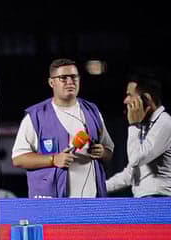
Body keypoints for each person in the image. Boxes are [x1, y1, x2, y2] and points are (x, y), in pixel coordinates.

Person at [12, 58, 114, 198]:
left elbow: (109, 151)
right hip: (52, 203)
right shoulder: (36, 116)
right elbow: (18, 159)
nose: (70, 81)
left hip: (93, 201)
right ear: (51, 82)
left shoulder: (92, 111)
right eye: (63, 78)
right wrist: (53, 160)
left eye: (74, 77)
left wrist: (102, 152)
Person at [106, 72, 171, 197]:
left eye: (129, 95)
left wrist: (133, 125)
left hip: (159, 200)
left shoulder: (164, 122)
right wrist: (98, 188)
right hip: (145, 200)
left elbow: (136, 159)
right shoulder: (146, 127)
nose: (125, 101)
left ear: (146, 99)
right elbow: (131, 173)